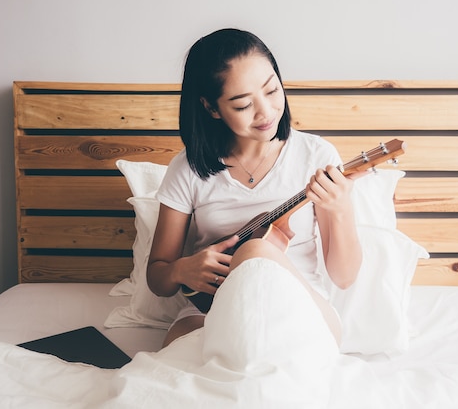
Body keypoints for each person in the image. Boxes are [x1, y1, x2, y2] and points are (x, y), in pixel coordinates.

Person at [146, 28, 363, 348]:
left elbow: (344, 278)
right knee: (173, 356)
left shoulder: (316, 156)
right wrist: (181, 269)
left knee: (257, 250)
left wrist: (339, 207)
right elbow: (158, 277)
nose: (266, 112)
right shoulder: (189, 168)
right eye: (243, 103)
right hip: (211, 310)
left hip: (300, 307)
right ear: (211, 108)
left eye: (272, 90)